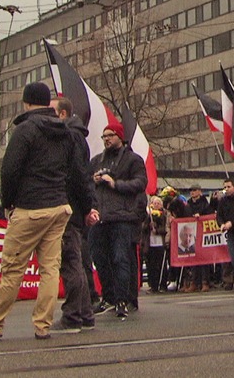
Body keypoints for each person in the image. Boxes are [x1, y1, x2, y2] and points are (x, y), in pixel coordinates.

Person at [0, 82, 91, 342]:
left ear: (27, 103)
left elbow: (10, 170)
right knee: (50, 270)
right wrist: (87, 206)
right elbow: (78, 173)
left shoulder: (25, 130)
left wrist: (8, 203)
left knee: (12, 269)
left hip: (30, 207)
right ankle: (42, 325)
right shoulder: (66, 133)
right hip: (59, 207)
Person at [49, 95, 99, 334]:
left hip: (69, 208)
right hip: (75, 207)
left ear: (63, 114)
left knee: (71, 262)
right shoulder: (76, 136)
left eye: (51, 111)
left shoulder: (71, 137)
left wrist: (89, 205)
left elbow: (79, 175)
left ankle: (73, 315)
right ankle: (85, 313)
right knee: (75, 261)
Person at [88, 120, 148, 318]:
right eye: (104, 136)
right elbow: (85, 183)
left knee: (120, 258)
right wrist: (94, 181)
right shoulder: (96, 161)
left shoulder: (132, 160)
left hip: (123, 217)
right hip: (100, 216)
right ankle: (109, 296)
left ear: (120, 137)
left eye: (110, 135)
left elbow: (140, 183)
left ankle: (123, 299)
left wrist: (115, 184)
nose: (106, 139)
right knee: (100, 258)